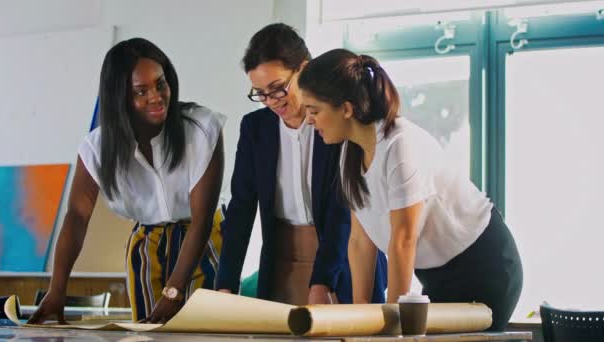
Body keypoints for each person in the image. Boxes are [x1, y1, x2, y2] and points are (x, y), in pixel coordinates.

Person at [298, 48, 523, 330]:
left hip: (486, 266)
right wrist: (359, 319)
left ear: (346, 108)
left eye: (314, 110)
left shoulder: (399, 145)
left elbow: (403, 242)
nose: (308, 120)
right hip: (437, 276)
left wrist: (392, 327)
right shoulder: (349, 153)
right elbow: (359, 242)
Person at [28, 38, 226, 323]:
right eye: (140, 91)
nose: (156, 97)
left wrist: (173, 293)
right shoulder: (98, 146)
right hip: (146, 246)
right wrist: (57, 289)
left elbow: (202, 219)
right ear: (119, 98)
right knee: (145, 333)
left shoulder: (202, 128)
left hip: (205, 241)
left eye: (160, 84)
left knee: (200, 331)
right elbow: (77, 216)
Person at [215, 24, 387, 305]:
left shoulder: (336, 119)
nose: (270, 101)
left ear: (304, 69)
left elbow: (341, 210)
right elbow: (241, 207)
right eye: (259, 92)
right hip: (281, 262)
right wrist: (226, 284)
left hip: (342, 256)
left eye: (277, 88)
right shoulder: (256, 128)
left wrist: (323, 281)